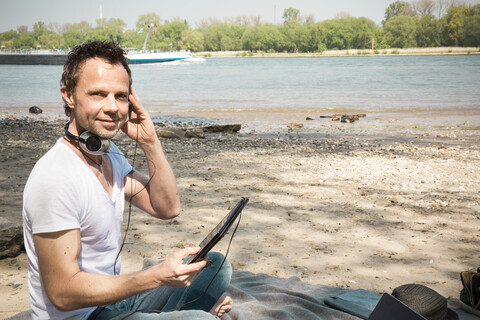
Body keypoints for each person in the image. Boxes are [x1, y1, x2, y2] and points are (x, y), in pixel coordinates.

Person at [22, 40, 233, 320]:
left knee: (215, 265)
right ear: (69, 95)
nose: (112, 107)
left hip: (110, 303)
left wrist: (149, 140)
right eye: (98, 94)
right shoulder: (55, 177)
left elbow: (166, 208)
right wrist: (156, 276)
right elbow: (62, 293)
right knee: (201, 319)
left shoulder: (110, 155)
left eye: (120, 96)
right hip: (80, 316)